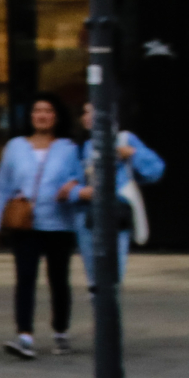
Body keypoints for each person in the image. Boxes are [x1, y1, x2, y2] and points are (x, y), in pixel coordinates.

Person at [0, 93, 84, 360]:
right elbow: (3, 186)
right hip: (25, 223)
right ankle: (24, 335)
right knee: (25, 278)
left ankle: (61, 331)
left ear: (56, 116)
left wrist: (72, 188)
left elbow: (78, 178)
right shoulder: (15, 147)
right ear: (30, 116)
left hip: (59, 222)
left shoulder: (68, 147)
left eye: (48, 111)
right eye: (37, 111)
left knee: (58, 279)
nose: (42, 116)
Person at [66, 105, 164, 294]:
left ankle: (110, 318)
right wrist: (80, 192)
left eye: (93, 111)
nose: (87, 116)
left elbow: (155, 170)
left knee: (113, 273)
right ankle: (100, 317)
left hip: (115, 214)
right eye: (84, 112)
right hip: (87, 217)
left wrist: (132, 154)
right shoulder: (78, 147)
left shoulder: (124, 139)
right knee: (94, 277)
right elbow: (66, 184)